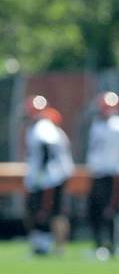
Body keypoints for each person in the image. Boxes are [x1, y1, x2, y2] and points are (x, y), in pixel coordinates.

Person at [86, 91, 119, 260]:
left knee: (112, 211)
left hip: (114, 173)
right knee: (95, 210)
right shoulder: (97, 124)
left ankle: (114, 246)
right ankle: (99, 245)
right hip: (98, 173)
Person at [23, 95, 74, 255]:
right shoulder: (49, 126)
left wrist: (40, 174)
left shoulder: (43, 126)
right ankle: (55, 246)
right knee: (53, 212)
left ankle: (47, 246)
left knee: (45, 212)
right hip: (53, 175)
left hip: (49, 178)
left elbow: (46, 149)